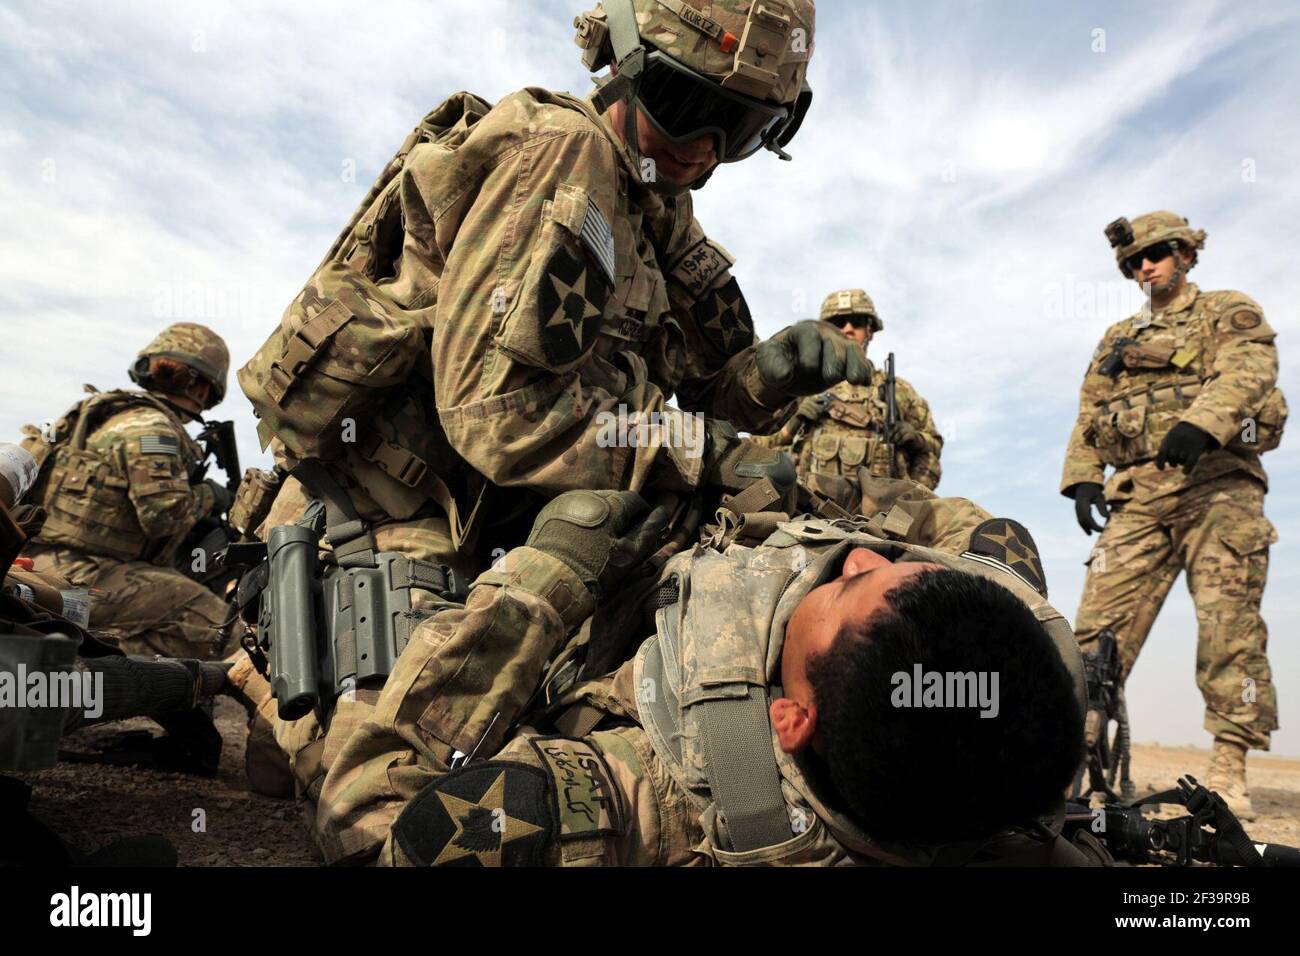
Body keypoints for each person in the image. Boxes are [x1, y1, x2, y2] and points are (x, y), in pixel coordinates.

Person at [236, 0, 861, 586]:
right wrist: (698, 451)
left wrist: (769, 375)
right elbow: (499, 416)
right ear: (622, 62)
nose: (705, 148)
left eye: (742, 128)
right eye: (683, 102)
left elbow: (709, 395)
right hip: (377, 533)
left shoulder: (661, 214)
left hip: (495, 527)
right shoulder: (564, 150)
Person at [292, 478, 1088, 866]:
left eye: (848, 585)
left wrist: (538, 583)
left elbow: (371, 824)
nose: (861, 553)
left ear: (789, 718)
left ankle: (238, 684)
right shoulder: (996, 767)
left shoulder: (635, 800)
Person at [1061, 211, 1286, 819]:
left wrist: (1203, 424)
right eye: (1134, 261)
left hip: (1218, 488)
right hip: (1137, 497)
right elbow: (1091, 413)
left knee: (1228, 631)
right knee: (1092, 638)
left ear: (1186, 254)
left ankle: (1229, 768)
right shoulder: (1116, 339)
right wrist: (1083, 475)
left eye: (1157, 253)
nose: (1145, 266)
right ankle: (1076, 765)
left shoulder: (1225, 310)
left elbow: (1251, 372)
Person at [19, 323, 237, 660]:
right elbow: (164, 518)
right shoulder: (153, 428)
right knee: (223, 627)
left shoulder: (107, 414)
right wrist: (213, 495)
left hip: (39, 564)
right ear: (201, 386)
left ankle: (93, 655)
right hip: (79, 574)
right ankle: (82, 661)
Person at [760, 289, 942, 505]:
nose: (847, 329)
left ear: (870, 330)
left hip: (884, 517)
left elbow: (932, 452)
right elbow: (758, 447)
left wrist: (916, 441)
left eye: (856, 322)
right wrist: (793, 424)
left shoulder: (899, 391)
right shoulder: (799, 384)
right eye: (838, 323)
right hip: (807, 510)